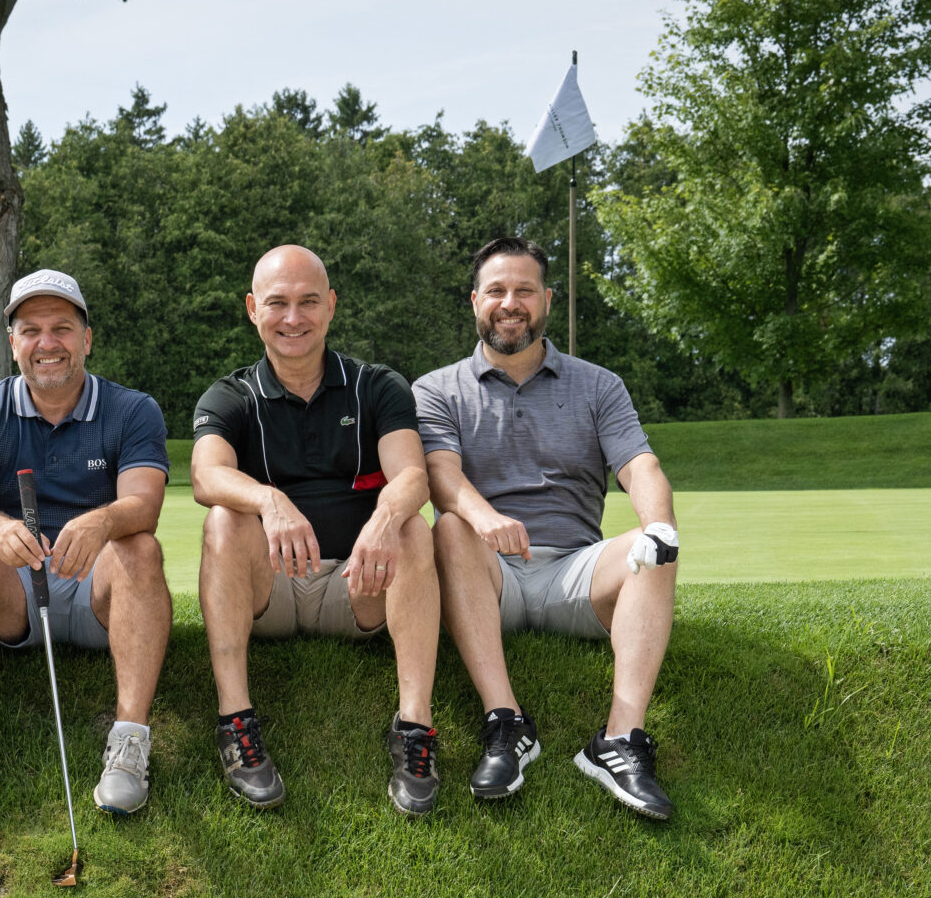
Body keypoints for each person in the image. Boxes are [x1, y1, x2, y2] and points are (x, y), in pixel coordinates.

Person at [416, 236, 683, 820]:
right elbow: (440, 474)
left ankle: (619, 740)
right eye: (496, 291)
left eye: (525, 291)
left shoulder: (599, 384)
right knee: (450, 529)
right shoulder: (436, 389)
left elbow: (640, 465)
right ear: (475, 301)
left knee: (654, 545)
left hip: (576, 571)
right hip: (487, 574)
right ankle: (506, 723)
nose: (510, 303)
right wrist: (485, 517)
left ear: (547, 300)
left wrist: (659, 524)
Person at [193, 245, 442, 815]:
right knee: (223, 519)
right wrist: (268, 498)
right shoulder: (229, 395)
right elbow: (206, 475)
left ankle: (415, 730)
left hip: (358, 585)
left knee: (412, 527)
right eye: (277, 303)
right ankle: (236, 722)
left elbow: (413, 476)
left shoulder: (377, 385)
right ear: (252, 309)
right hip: (270, 590)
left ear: (331, 306)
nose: (293, 318)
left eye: (308, 302)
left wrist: (385, 517)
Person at [0, 269, 173, 821]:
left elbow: (144, 504)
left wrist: (102, 521)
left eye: (62, 328)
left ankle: (129, 743)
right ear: (12, 342)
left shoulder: (133, 409)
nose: (47, 343)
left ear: (86, 339)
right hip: (15, 590)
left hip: (98, 589)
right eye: (31, 330)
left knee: (141, 547)